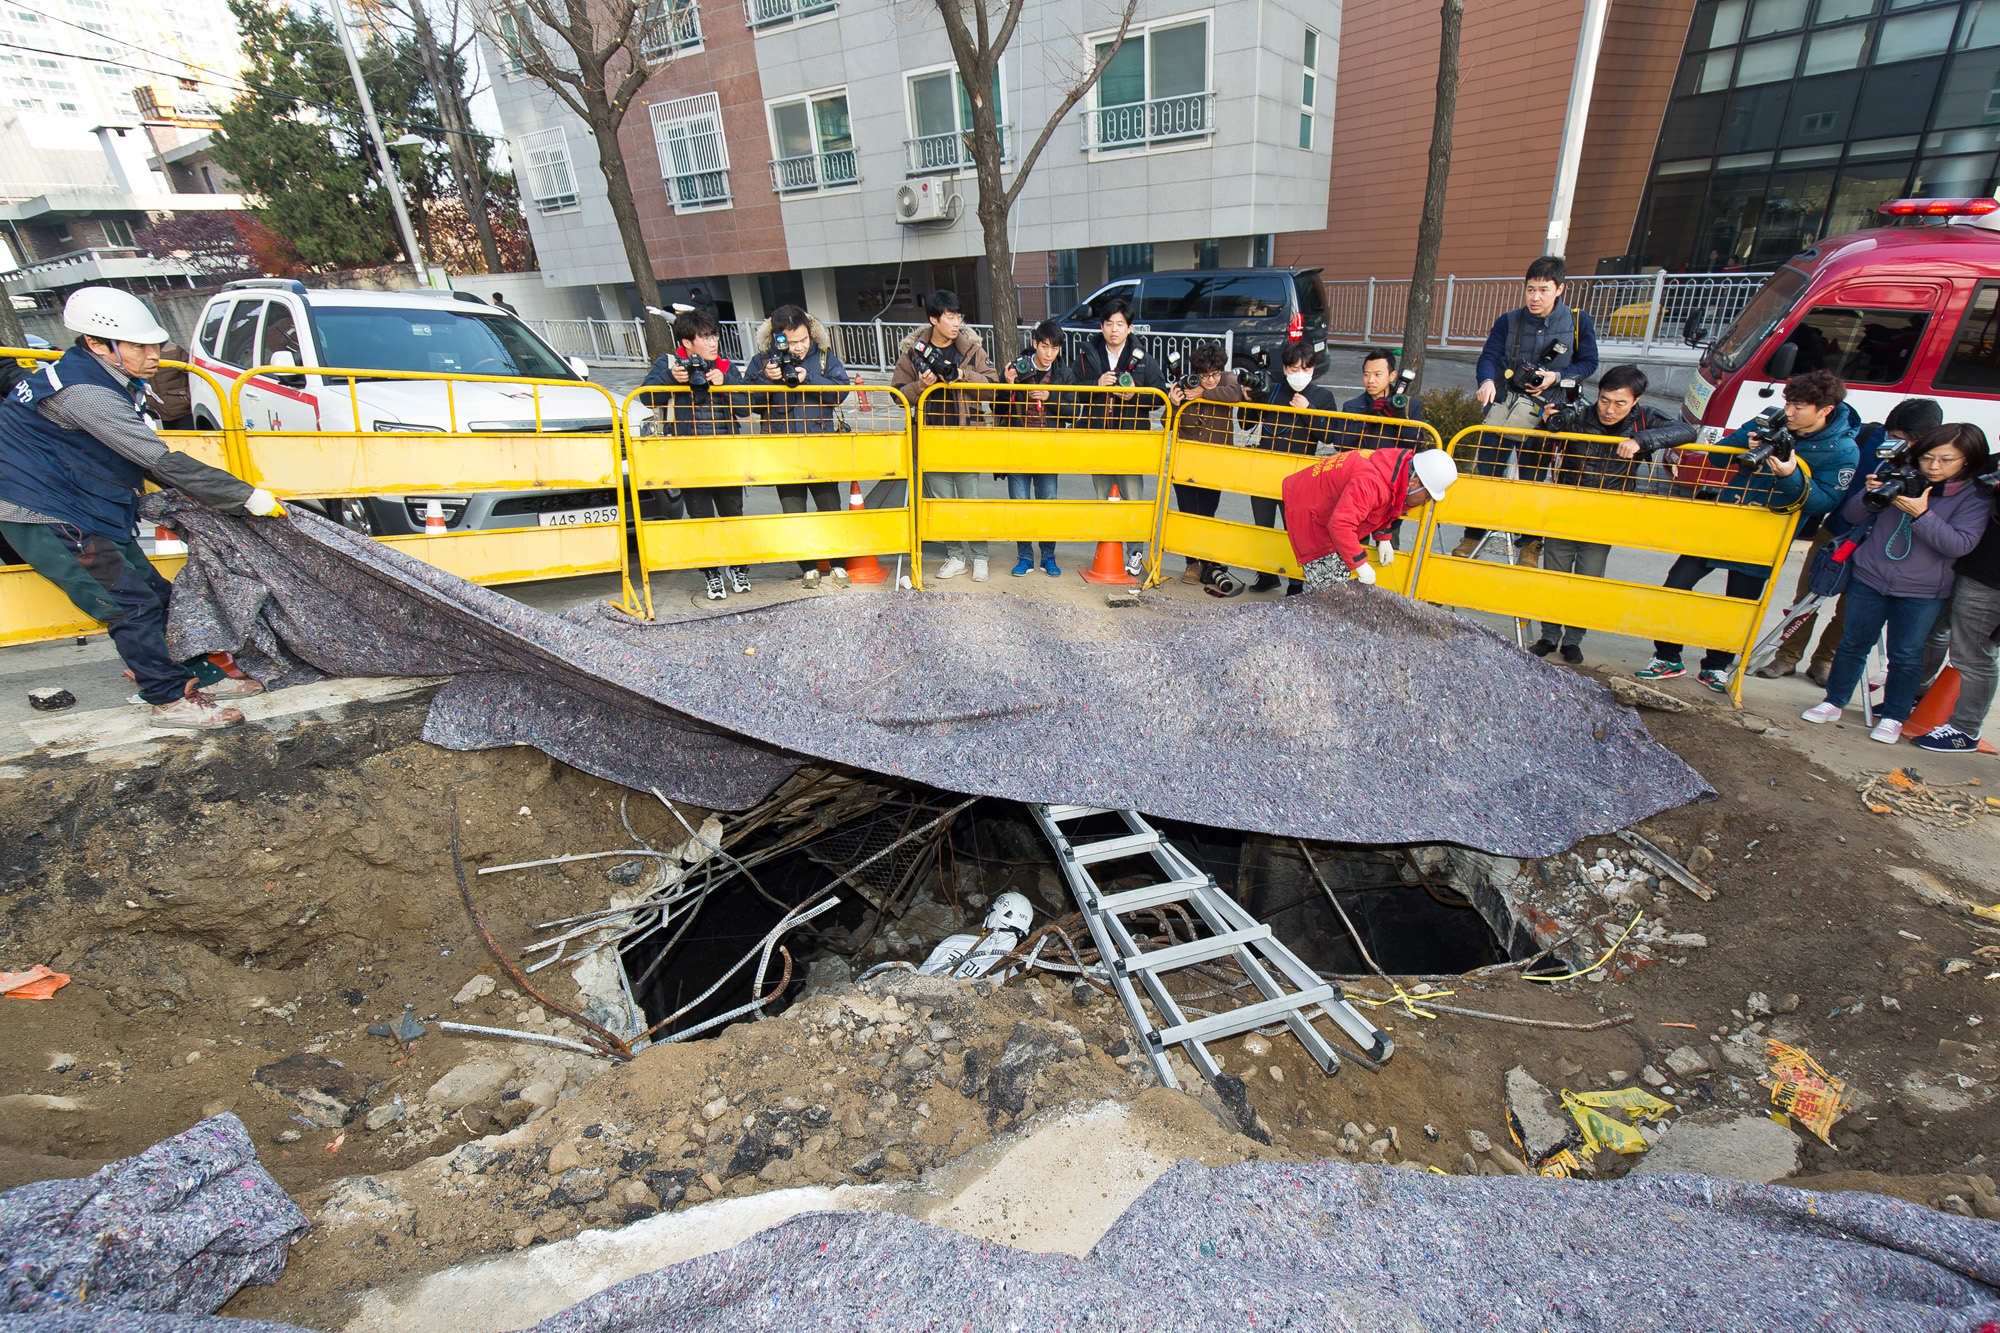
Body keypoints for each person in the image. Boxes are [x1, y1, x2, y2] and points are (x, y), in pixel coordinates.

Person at [0, 288, 277, 729]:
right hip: (44, 511)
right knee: (128, 605)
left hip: (87, 505)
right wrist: (241, 496)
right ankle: (168, 700)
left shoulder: (100, 377)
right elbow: (156, 459)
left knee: (157, 594)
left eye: (155, 345)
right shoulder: (84, 393)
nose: (155, 356)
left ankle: (197, 674)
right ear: (96, 344)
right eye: (139, 347)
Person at [1637, 369, 1860, 692]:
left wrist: (1790, 474)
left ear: (1825, 410)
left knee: (1740, 602)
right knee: (1676, 584)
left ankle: (1716, 666)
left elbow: (1822, 502)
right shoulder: (1771, 420)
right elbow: (1718, 457)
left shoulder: (1841, 449)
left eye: (1799, 407)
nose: (1790, 412)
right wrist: (1748, 443)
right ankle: (1667, 656)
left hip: (1767, 533)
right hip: (1726, 520)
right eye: (1788, 403)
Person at [1801, 423, 1992, 743]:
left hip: (1923, 590)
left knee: (1905, 655)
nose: (1933, 467)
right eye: (1927, 458)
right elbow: (1852, 515)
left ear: (1968, 461)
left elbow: (1958, 545)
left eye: (1946, 460)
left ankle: (1893, 716)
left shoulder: (1975, 496)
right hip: (1870, 576)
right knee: (1852, 644)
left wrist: (1922, 514)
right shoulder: (1900, 474)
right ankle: (1833, 702)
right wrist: (1872, 493)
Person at [1756, 397, 1942, 683]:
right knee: (1807, 598)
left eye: (1910, 441)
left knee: (1851, 611)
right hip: (1837, 531)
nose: (1900, 446)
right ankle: (1785, 657)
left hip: (1881, 545)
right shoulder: (1867, 437)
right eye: (1894, 437)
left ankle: (1824, 662)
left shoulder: (1935, 461)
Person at [1528, 365, 1696, 664]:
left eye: (1620, 403)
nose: (1609, 409)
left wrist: (1641, 441)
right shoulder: (1579, 413)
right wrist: (1545, 425)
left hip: (1607, 514)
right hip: (1566, 506)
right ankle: (1549, 636)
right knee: (1554, 576)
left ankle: (1574, 639)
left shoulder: (1645, 418)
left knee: (1589, 580)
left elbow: (1687, 430)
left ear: (1635, 401)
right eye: (1605, 400)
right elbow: (1537, 450)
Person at [1458, 255, 1600, 565]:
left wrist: (1556, 377)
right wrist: (1486, 381)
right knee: (1487, 474)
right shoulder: (1508, 320)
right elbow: (1489, 356)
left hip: (1546, 412)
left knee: (1533, 478)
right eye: (1530, 289)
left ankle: (1530, 544)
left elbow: (1589, 363)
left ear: (1560, 289)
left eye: (1543, 290)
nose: (1535, 297)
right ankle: (1472, 535)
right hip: (1505, 406)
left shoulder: (1577, 321)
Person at [639, 307, 750, 601]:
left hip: (725, 453)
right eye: (705, 338)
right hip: (688, 456)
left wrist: (725, 384)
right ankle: (711, 573)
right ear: (687, 343)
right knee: (700, 516)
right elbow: (646, 397)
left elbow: (745, 407)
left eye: (714, 336)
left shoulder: (727, 367)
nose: (713, 343)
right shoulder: (670, 364)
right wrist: (670, 379)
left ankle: (738, 566)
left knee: (732, 514)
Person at [891, 289, 998, 581]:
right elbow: (897, 395)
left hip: (965, 438)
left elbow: (992, 386)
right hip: (929, 440)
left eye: (959, 316)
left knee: (970, 501)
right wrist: (919, 387)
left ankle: (980, 556)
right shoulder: (913, 352)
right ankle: (955, 556)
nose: (956, 322)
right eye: (950, 317)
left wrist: (964, 376)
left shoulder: (972, 349)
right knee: (940, 502)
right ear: (933, 319)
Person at [747, 304, 854, 589]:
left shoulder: (823, 358)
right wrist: (765, 380)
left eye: (803, 340)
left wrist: (811, 380)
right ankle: (807, 567)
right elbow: (748, 403)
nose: (798, 348)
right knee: (794, 512)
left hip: (820, 446)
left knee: (831, 508)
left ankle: (838, 563)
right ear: (776, 339)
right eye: (791, 342)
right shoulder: (762, 362)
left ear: (811, 333)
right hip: (782, 451)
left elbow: (841, 392)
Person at [1281, 446, 1459, 591]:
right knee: (1328, 591)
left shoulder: (1394, 471)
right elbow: (1340, 525)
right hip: (1310, 510)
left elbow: (1382, 505)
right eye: (1428, 496)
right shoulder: (1372, 482)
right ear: (1414, 483)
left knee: (1335, 586)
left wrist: (1383, 538)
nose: (1427, 501)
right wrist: (1360, 564)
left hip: (1324, 505)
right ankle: (1314, 627)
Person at [1074, 297, 1165, 578]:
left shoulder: (1142, 358)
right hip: (1099, 437)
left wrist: (1135, 393)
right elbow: (1071, 388)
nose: (1114, 329)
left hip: (1131, 440)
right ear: (1102, 326)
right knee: (1102, 496)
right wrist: (1096, 385)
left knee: (1133, 497)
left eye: (1120, 324)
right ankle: (1106, 548)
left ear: (1129, 328)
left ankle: (1135, 552)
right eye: (1109, 323)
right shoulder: (1087, 355)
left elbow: (1158, 395)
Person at [1912, 466, 2000, 751]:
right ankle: (1914, 696)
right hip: (1958, 564)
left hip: (1990, 580)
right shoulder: (1990, 463)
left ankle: (1965, 730)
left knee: (1973, 655)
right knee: (1931, 633)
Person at [1247, 339, 1338, 593]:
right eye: (1294, 369)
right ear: (1285, 368)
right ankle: (1266, 575)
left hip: (1300, 478)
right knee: (1262, 527)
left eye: (1306, 369)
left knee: (1296, 531)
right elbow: (1246, 423)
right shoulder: (1272, 390)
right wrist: (1250, 397)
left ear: (1313, 368)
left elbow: (1329, 435)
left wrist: (1309, 410)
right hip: (1265, 471)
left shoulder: (1323, 396)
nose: (1300, 374)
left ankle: (1296, 583)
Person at [1166, 341, 1246, 595]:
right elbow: (1169, 424)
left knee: (1207, 512)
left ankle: (1207, 561)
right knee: (1188, 513)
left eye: (1214, 374)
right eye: (1204, 375)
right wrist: (1174, 402)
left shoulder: (1227, 380)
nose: (1210, 379)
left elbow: (1235, 392)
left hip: (1216, 461)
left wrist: (1203, 392)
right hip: (1186, 459)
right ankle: (1191, 564)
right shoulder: (1185, 384)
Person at [998, 319, 1071, 578]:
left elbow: (1073, 410)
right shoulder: (1015, 368)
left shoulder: (1064, 373)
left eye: (1054, 347)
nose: (1049, 353)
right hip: (1017, 445)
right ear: (1035, 344)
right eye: (1044, 346)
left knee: (1048, 502)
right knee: (1020, 503)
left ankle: (1048, 556)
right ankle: (1025, 556)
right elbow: (997, 409)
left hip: (1049, 448)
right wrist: (1008, 386)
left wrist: (1050, 397)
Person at [1333, 348, 1427, 453]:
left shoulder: (1410, 405)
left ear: (1392, 376)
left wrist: (1400, 421)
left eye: (1377, 375)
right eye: (1366, 375)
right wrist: (1366, 417)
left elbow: (1415, 447)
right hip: (1360, 467)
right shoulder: (1352, 406)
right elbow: (1340, 445)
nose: (1370, 380)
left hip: (1392, 467)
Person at [145, 341, 195, 431]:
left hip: (184, 411)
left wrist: (188, 399)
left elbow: (194, 375)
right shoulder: (132, 355)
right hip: (156, 414)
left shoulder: (173, 350)